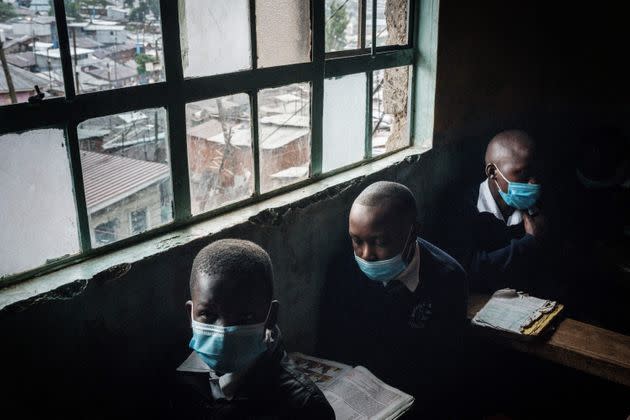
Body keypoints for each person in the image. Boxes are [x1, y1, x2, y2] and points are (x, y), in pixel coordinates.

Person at [317, 181, 467, 418]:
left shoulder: (447, 279)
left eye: (380, 242)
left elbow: (445, 368)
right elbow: (331, 344)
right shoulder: (343, 271)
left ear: (413, 231)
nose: (366, 255)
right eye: (357, 241)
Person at [171, 239, 334, 419]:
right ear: (190, 313)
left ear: (270, 318)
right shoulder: (180, 377)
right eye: (208, 314)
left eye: (244, 317)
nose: (224, 332)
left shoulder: (305, 408)